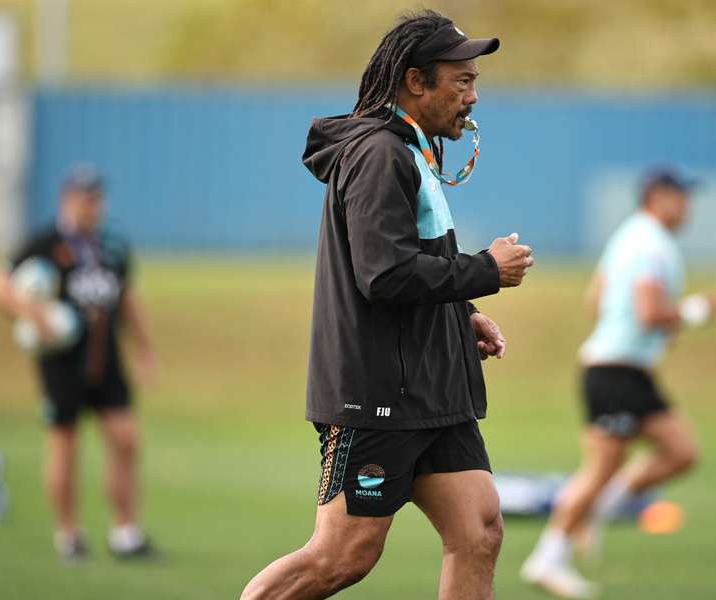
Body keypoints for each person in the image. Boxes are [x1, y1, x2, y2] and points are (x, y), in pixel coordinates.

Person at [240, 10, 533, 600]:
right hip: (376, 394)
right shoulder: (380, 154)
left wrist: (461, 315)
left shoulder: (415, 150)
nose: (473, 96)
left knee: (478, 530)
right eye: (462, 81)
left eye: (474, 81)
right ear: (415, 81)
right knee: (342, 556)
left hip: (431, 391)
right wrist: (485, 271)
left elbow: (413, 260)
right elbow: (385, 275)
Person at [521, 169, 714, 599]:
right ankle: (548, 557)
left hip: (625, 368)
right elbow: (649, 312)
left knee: (681, 452)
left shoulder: (629, 236)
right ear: (658, 197)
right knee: (600, 470)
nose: (688, 207)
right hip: (616, 370)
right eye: (682, 196)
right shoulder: (651, 243)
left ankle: (595, 514)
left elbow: (597, 297)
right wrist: (693, 312)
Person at [0, 165, 156, 559]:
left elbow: (126, 297)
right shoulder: (46, 242)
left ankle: (126, 532)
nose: (90, 206)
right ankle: (68, 535)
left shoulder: (113, 243)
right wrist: (35, 317)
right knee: (65, 444)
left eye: (96, 199)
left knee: (125, 438)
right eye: (83, 199)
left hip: (105, 356)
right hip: (62, 362)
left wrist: (143, 348)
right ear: (67, 200)